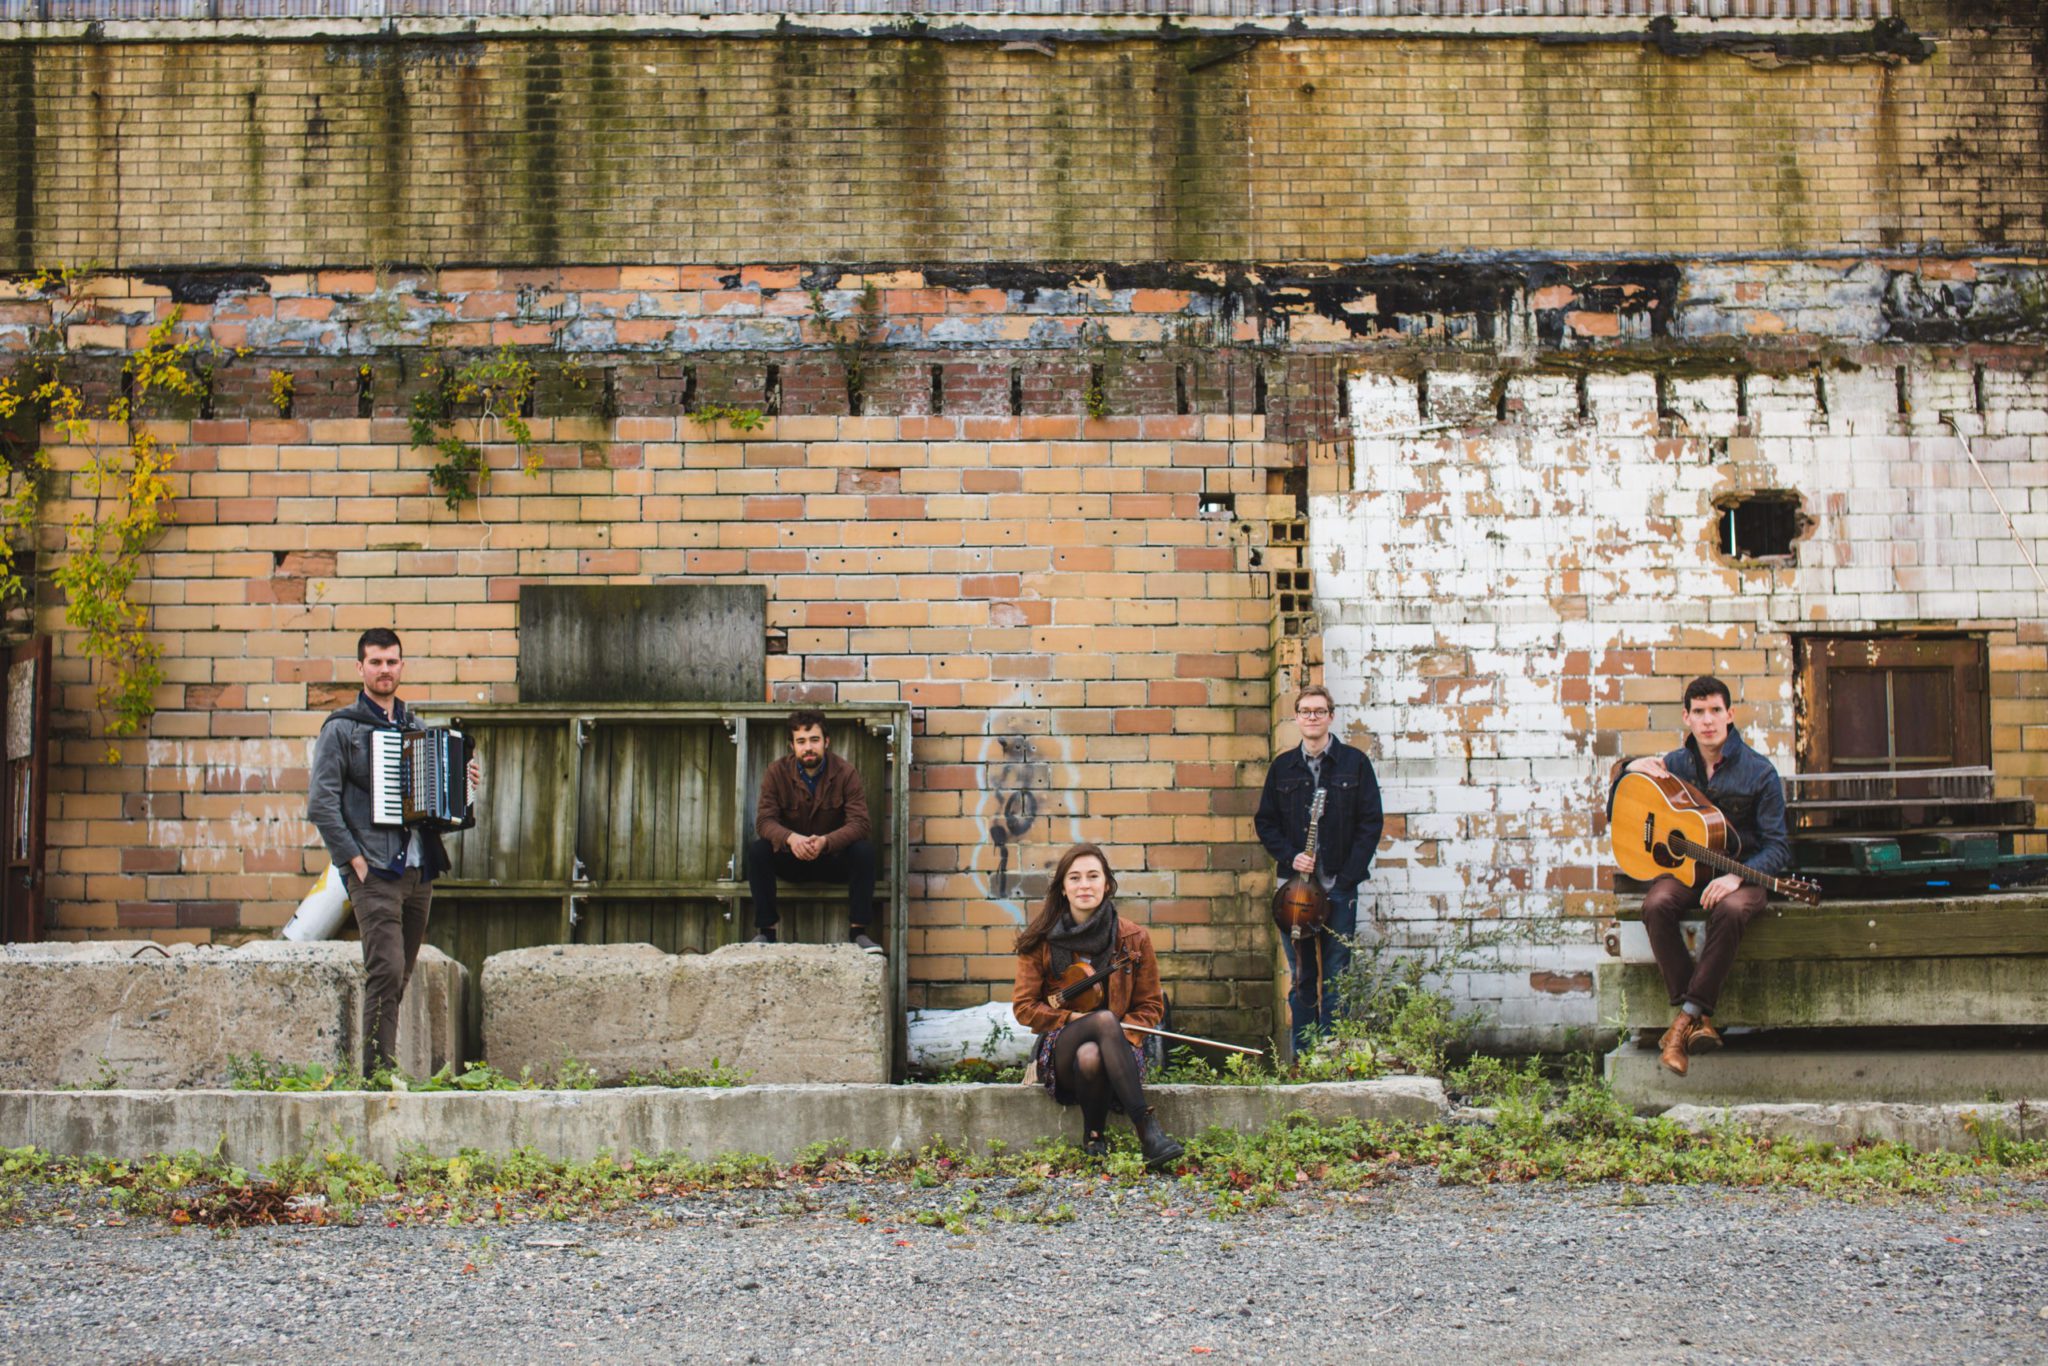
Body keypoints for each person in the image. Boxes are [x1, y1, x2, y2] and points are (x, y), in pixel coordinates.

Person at [306, 628, 479, 1075]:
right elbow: (321, 804)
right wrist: (353, 860)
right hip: (374, 870)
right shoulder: (342, 729)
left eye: (392, 662)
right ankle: (377, 1077)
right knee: (384, 970)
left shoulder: (416, 728)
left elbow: (438, 810)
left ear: (402, 666)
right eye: (376, 662)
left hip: (418, 869)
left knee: (399, 973)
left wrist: (464, 787)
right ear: (360, 668)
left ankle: (382, 1067)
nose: (385, 670)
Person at [1618, 675, 1791, 1077]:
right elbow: (1624, 802)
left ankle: (1683, 1022)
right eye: (1699, 712)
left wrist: (1738, 878)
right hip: (1688, 871)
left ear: (1730, 715)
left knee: (1729, 910)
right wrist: (1628, 768)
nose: (1708, 720)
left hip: (1743, 877)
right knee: (1656, 903)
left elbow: (1778, 847)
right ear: (1687, 717)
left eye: (1715, 710)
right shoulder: (1675, 765)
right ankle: (1696, 1016)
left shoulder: (1760, 773)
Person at [1011, 843, 1184, 1169]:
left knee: (1091, 1053)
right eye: (1074, 878)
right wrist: (1073, 1017)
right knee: (1102, 1021)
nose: (1084, 885)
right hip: (1060, 1049)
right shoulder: (1041, 940)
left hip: (1121, 1049)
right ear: (1063, 887)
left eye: (1093, 876)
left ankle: (1094, 1136)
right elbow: (1024, 1007)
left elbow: (1150, 1005)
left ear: (1107, 884)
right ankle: (1147, 1131)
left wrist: (1124, 1034)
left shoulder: (1134, 939)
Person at [1254, 684, 1385, 1057]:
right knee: (1302, 977)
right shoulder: (1282, 768)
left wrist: (1346, 879)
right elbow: (1266, 823)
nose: (1312, 717)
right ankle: (1303, 1058)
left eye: (1319, 710)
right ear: (1296, 718)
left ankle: (1330, 1058)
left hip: (1338, 890)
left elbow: (1370, 823)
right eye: (1305, 711)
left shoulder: (1354, 764)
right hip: (1294, 892)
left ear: (1331, 715)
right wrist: (1290, 855)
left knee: (1337, 977)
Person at [749, 709, 883, 954]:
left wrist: (825, 842)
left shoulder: (846, 773)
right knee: (758, 850)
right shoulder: (776, 772)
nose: (808, 747)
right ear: (792, 745)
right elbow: (764, 821)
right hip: (792, 861)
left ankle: (859, 933)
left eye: (814, 740)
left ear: (826, 742)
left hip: (832, 861)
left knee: (864, 851)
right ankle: (766, 932)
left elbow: (861, 823)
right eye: (801, 741)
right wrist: (791, 839)